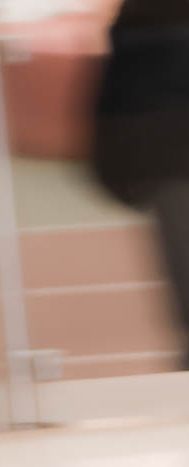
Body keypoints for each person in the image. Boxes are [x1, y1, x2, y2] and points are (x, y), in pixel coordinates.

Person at [91, 0, 189, 370]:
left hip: (167, 158)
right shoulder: (143, 15)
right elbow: (122, 87)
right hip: (171, 156)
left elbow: (118, 90)